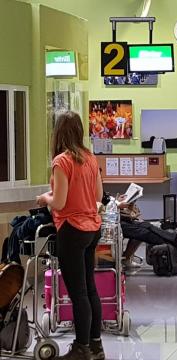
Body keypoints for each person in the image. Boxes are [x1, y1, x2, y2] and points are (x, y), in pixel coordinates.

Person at [36, 111, 105, 360]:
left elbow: (60, 201)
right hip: (91, 229)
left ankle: (81, 348)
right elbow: (98, 197)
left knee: (78, 293)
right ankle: (96, 346)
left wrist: (45, 198)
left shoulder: (61, 161)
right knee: (90, 289)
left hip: (71, 230)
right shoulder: (90, 158)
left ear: (58, 132)